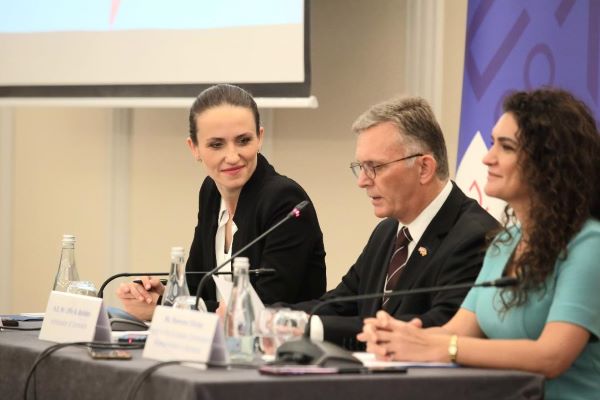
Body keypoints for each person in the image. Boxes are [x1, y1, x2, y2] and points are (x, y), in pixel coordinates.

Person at [358, 88, 600, 400]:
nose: (488, 157)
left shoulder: (589, 245)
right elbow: (456, 330)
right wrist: (398, 337)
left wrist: (443, 347)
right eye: (492, 143)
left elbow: (551, 356)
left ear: (550, 161)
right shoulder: (505, 243)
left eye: (506, 147)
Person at [287, 96, 498, 349]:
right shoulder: (387, 231)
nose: (362, 181)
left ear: (424, 168)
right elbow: (340, 303)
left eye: (375, 167)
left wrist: (311, 328)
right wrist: (274, 317)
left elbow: (438, 325)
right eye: (361, 167)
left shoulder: (475, 236)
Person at [117, 84, 327, 319]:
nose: (232, 156)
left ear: (260, 138)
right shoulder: (211, 191)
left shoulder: (284, 200)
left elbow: (260, 308)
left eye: (243, 140)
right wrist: (164, 294)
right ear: (194, 148)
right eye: (216, 144)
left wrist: (165, 308)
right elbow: (198, 284)